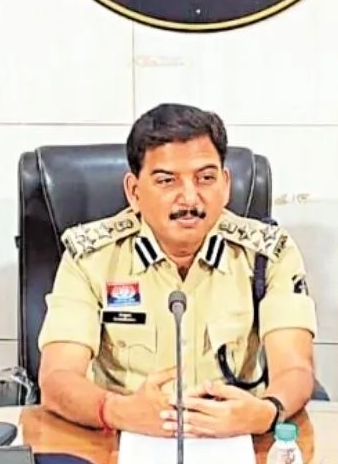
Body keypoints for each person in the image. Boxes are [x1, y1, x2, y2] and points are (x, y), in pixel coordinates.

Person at [36, 104, 319, 439]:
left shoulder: (268, 253)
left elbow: (295, 368)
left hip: (237, 439)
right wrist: (117, 411)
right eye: (167, 181)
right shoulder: (91, 257)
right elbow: (57, 378)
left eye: (206, 178)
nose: (189, 198)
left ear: (226, 184)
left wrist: (267, 411)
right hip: (123, 440)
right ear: (134, 192)